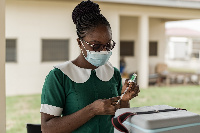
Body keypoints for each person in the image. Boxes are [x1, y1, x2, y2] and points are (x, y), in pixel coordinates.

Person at [40, 0, 140, 133]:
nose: (104, 51)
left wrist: (125, 100)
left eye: (108, 45)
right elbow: (47, 128)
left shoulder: (113, 73)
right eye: (96, 45)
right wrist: (92, 110)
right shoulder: (60, 76)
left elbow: (119, 117)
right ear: (80, 43)